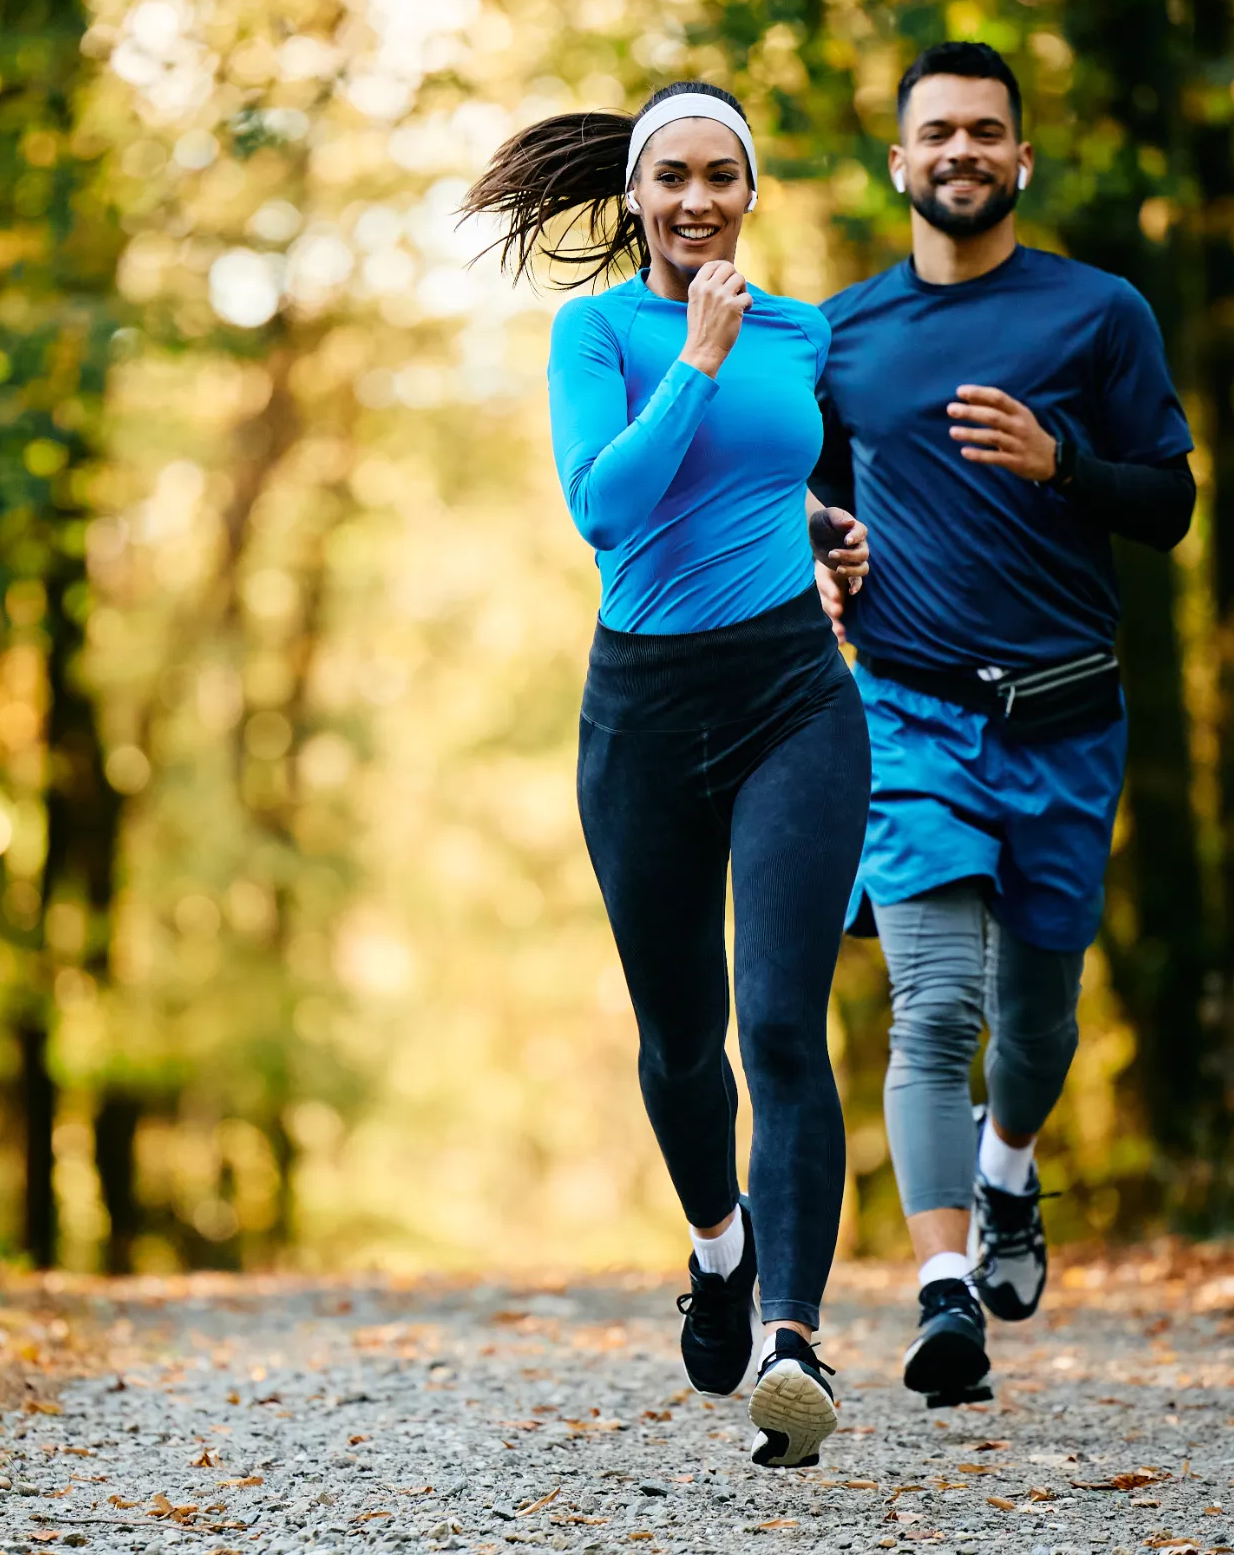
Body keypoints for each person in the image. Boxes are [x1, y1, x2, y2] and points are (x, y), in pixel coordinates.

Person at [463, 82, 874, 1468]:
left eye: (722, 176)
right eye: (672, 178)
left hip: (791, 699)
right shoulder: (599, 333)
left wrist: (830, 527)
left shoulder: (806, 330)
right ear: (635, 200)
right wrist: (695, 360)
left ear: (752, 192)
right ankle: (717, 1247)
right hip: (640, 713)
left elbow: (775, 471)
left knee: (780, 1025)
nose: (699, 198)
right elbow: (607, 506)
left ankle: (792, 1339)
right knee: (682, 1041)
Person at [813, 42, 1198, 1406]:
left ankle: (1009, 1170)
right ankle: (942, 1295)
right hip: (908, 713)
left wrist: (1065, 465)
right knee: (933, 1008)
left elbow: (1170, 501)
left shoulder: (1098, 316)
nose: (961, 152)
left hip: (1066, 719)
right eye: (938, 134)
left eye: (986, 132)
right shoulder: (844, 337)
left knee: (1034, 1026)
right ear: (900, 163)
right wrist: (828, 542)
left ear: (1019, 160)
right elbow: (806, 494)